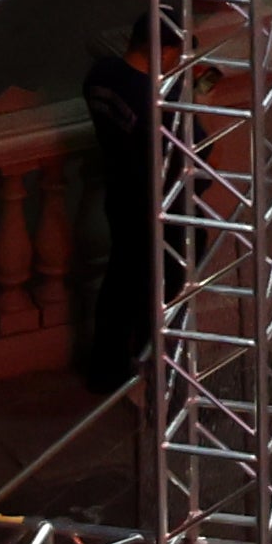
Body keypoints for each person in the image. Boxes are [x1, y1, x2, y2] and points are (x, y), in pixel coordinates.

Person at [75, 23, 157, 397]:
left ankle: (106, 370)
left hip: (118, 193)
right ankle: (154, 379)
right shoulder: (148, 100)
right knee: (155, 294)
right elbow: (200, 152)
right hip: (150, 203)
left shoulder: (101, 75)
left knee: (118, 284)